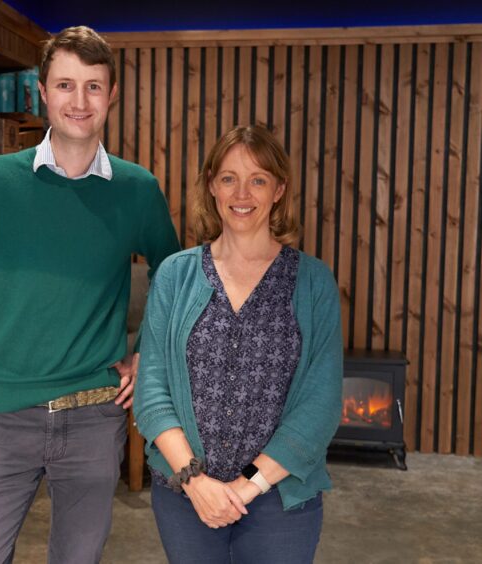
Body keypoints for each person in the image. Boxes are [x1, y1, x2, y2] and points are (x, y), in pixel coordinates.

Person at [0, 26, 181, 564]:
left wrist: (150, 356)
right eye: (65, 85)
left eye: (94, 87)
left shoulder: (137, 190)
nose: (79, 100)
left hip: (92, 417)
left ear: (111, 97)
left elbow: (177, 278)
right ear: (42, 93)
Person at [133, 125, 343, 563]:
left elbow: (320, 406)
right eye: (229, 178)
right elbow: (152, 392)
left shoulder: (313, 282)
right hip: (186, 495)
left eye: (259, 179)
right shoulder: (175, 275)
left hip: (280, 499)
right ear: (212, 186)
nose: (242, 192)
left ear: (279, 190)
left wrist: (248, 485)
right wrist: (197, 482)